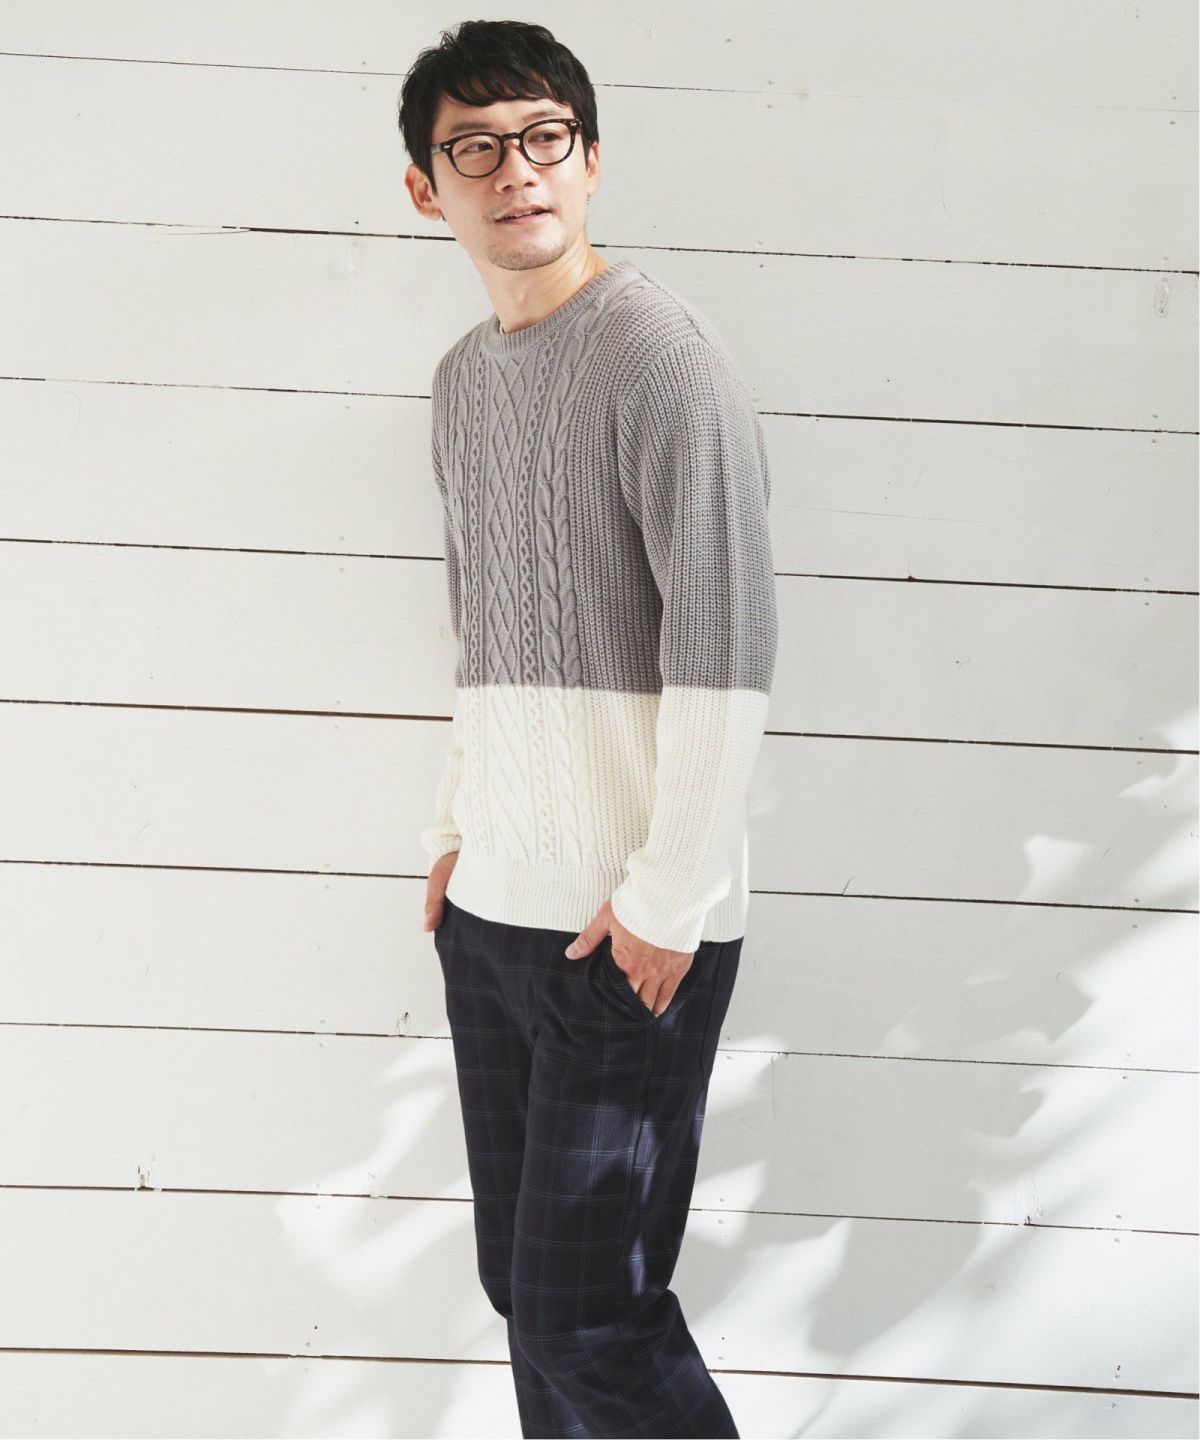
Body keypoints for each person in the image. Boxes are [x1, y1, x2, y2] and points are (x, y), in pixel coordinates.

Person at [400, 20, 778, 1438]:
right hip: (492, 918)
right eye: (476, 148)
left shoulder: (661, 356)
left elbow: (725, 649)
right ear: (427, 188)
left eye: (544, 137)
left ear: (592, 159)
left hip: (628, 929)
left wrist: (670, 897)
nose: (517, 170)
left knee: (591, 1314)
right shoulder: (463, 381)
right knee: (523, 1292)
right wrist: (456, 835)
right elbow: (487, 631)